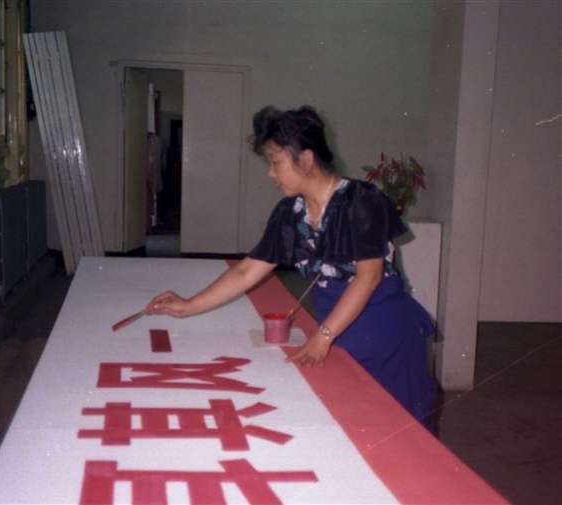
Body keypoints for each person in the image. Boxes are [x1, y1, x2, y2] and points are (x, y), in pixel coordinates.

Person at [145, 105, 436, 427]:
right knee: (347, 423)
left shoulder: (362, 201)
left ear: (306, 159)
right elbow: (246, 271)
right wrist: (188, 306)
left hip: (382, 331)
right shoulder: (291, 213)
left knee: (396, 426)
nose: (271, 173)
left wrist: (322, 338)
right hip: (337, 325)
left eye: (275, 162)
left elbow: (368, 278)